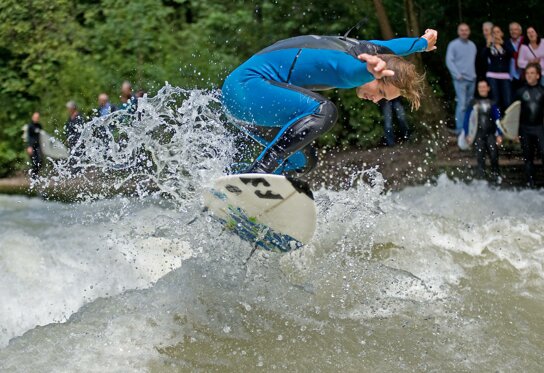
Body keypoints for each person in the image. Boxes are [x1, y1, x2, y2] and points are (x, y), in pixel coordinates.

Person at [222, 29, 438, 174]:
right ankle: (257, 174)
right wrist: (368, 70)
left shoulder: (366, 47)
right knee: (324, 111)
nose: (376, 100)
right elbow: (356, 71)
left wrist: (421, 43)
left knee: (304, 161)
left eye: (383, 98)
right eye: (381, 90)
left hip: (250, 99)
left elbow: (393, 46)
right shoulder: (353, 69)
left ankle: (235, 183)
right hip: (247, 89)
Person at [463, 80, 502, 179]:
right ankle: (481, 179)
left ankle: (496, 177)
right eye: (480, 87)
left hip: (490, 134)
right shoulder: (473, 103)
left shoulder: (493, 103)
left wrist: (499, 134)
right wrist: (467, 134)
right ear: (477, 89)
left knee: (494, 156)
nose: (482, 89)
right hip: (478, 135)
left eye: (484, 87)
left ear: (488, 88)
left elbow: (498, 119)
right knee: (480, 157)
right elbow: (467, 119)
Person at [515, 63, 544, 187]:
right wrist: (514, 131)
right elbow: (514, 112)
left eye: (532, 73)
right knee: (528, 157)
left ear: (538, 75)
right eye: (527, 73)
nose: (529, 75)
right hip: (524, 128)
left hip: (539, 128)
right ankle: (530, 184)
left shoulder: (543, 91)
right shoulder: (520, 91)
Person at [446, 23, 477, 134]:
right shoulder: (453, 45)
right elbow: (449, 61)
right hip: (460, 79)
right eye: (462, 30)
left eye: (466, 30)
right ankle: (460, 130)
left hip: (472, 79)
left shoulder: (472, 45)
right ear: (458, 32)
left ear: (469, 31)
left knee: (469, 105)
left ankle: (468, 128)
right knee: (462, 104)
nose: (464, 32)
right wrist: (457, 74)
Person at [483, 25, 514, 113]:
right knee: (495, 100)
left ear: (502, 33)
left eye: (498, 32)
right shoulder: (490, 45)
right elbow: (482, 57)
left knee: (507, 100)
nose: (496, 34)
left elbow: (512, 54)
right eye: (494, 32)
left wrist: (503, 44)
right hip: (492, 75)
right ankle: (496, 121)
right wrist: (487, 45)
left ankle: (507, 122)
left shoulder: (507, 43)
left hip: (505, 76)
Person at [64, 101, 85, 170]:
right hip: (72, 142)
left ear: (72, 108)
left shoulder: (79, 117)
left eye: (68, 108)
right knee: (72, 160)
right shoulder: (70, 117)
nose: (68, 110)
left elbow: (80, 130)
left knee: (77, 159)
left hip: (77, 142)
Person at [508, 22, 525, 92]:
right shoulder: (507, 42)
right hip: (510, 76)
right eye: (511, 30)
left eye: (515, 29)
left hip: (523, 75)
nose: (513, 32)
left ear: (520, 31)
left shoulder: (525, 41)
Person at [26, 112, 43, 178]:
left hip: (38, 146)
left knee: (40, 160)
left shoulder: (39, 126)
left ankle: (36, 175)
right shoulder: (30, 126)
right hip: (31, 146)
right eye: (35, 117)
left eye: (37, 117)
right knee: (34, 161)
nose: (36, 119)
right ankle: (33, 177)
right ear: (33, 118)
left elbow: (42, 136)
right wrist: (29, 146)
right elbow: (28, 137)